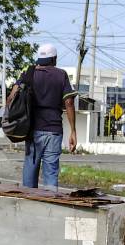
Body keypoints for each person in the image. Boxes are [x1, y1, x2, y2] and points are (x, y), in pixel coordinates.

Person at [10, 43, 77, 188]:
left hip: (32, 130)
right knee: (51, 173)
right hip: (54, 130)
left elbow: (11, 97)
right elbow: (69, 102)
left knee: (30, 167)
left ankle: (28, 199)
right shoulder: (61, 74)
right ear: (54, 59)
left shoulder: (28, 72)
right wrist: (73, 131)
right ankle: (50, 200)